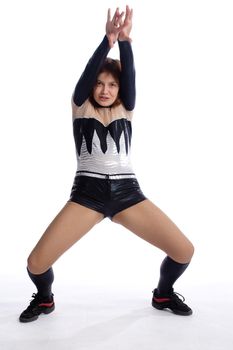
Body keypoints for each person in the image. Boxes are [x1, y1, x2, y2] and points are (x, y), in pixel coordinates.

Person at [19, 6, 194, 323]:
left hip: (129, 194)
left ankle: (163, 294)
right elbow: (87, 77)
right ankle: (45, 299)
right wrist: (107, 40)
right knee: (36, 263)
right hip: (88, 195)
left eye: (112, 85)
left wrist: (125, 42)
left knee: (184, 251)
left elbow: (130, 80)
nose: (104, 90)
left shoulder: (126, 109)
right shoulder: (80, 107)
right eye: (100, 84)